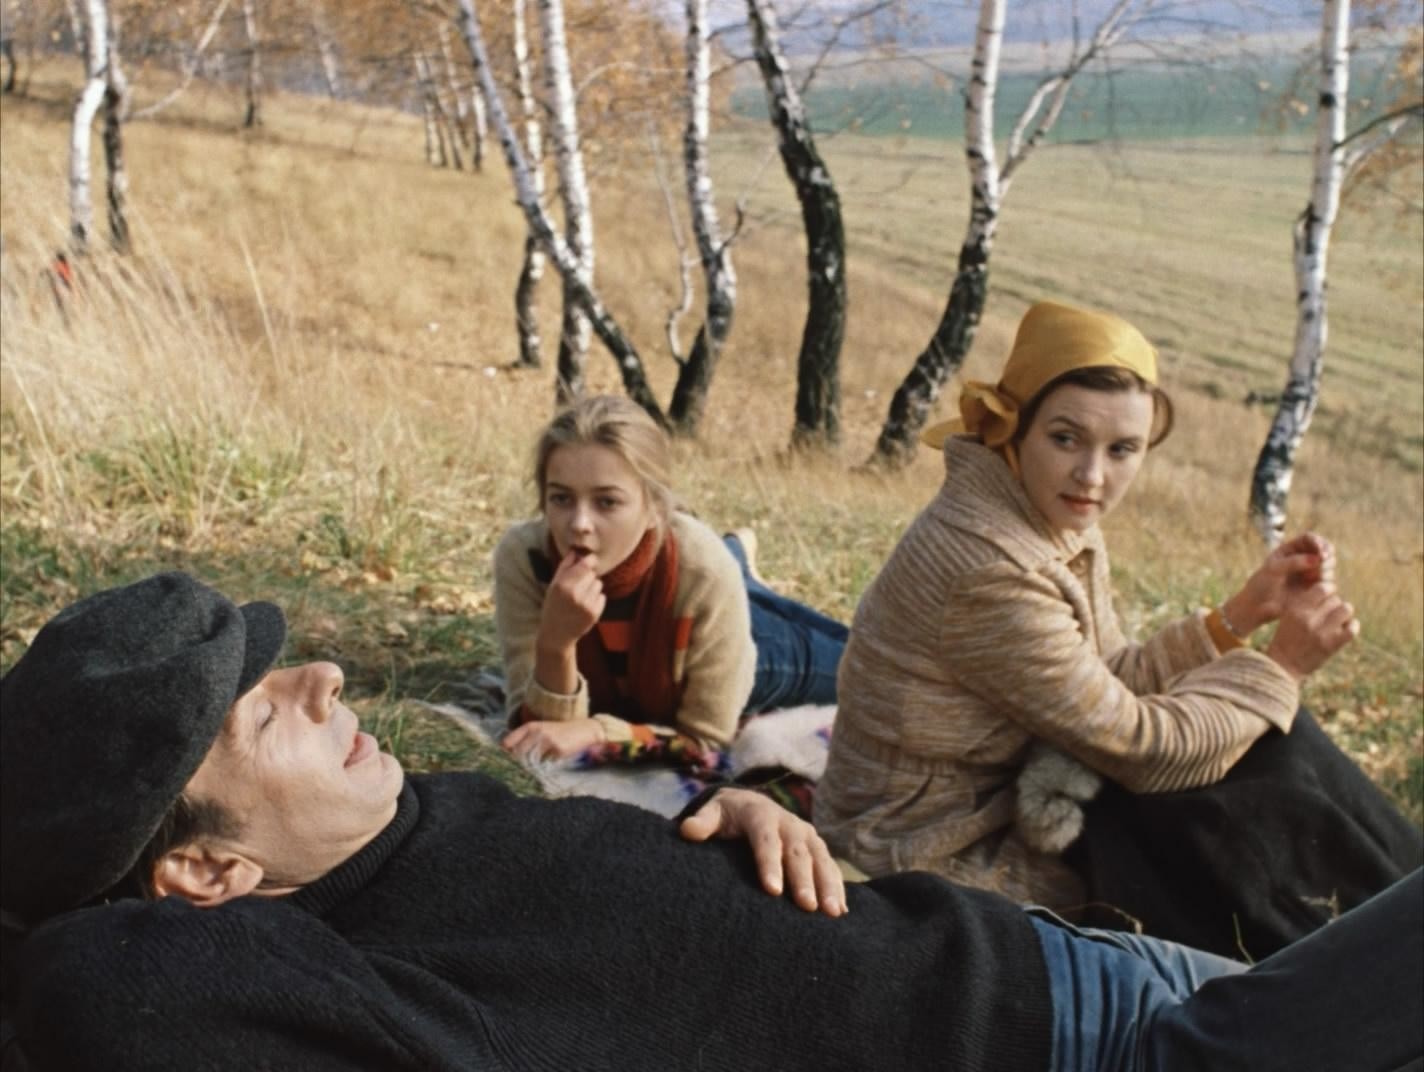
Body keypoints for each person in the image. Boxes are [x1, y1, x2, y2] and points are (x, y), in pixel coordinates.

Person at [1, 572, 1419, 1071]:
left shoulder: (403, 833)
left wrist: (724, 806)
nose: (320, 675)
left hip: (1058, 962)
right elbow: (92, 991)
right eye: (263, 713)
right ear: (205, 869)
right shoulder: (295, 976)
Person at [816, 300, 1422, 956]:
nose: (1093, 476)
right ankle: (1379, 945)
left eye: (1122, 449)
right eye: (1065, 438)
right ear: (1012, 428)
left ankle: (1395, 919)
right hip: (936, 849)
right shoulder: (992, 567)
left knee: (1262, 741)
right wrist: (1283, 667)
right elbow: (1138, 748)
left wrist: (1241, 615)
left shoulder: (1044, 513)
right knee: (1246, 774)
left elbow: (1112, 678)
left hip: (1018, 795)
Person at [492, 394, 847, 766]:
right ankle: (738, 557)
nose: (579, 524)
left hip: (733, 640)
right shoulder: (525, 558)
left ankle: (736, 563)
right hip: (696, 587)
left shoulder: (704, 572)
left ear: (655, 509)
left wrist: (599, 731)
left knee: (862, 667)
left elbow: (704, 740)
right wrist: (556, 644)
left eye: (607, 502)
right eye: (561, 498)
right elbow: (538, 733)